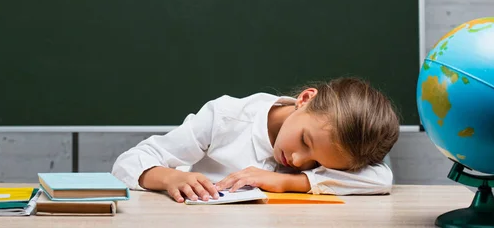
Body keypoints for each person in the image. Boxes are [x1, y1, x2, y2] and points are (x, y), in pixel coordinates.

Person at [112, 77, 400, 203]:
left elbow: (380, 179)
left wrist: (288, 181)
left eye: (316, 163)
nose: (299, 161)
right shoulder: (226, 117)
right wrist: (168, 178)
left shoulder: (309, 157)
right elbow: (127, 163)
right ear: (305, 99)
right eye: (306, 142)